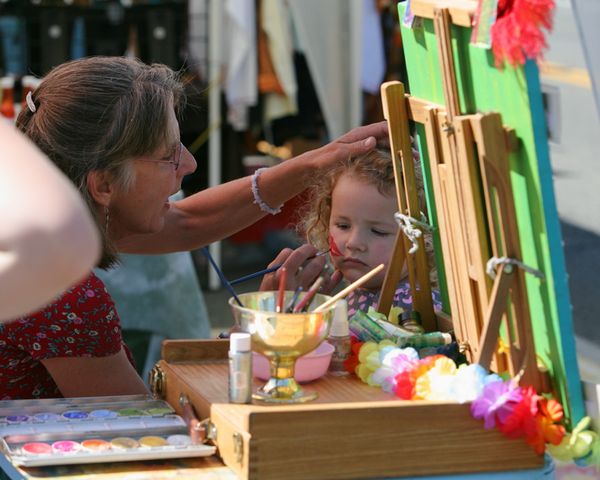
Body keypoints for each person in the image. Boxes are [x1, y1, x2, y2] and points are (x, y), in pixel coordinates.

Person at [0, 55, 388, 400]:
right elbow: (145, 430)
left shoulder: (30, 224)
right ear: (104, 185)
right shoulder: (62, 292)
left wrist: (315, 163)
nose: (189, 165)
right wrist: (259, 333)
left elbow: (186, 223)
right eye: (169, 155)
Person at [298, 148, 440, 320]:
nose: (354, 242)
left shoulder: (417, 308)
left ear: (421, 238)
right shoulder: (357, 293)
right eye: (343, 225)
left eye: (378, 231)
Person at [0, 121, 100, 323]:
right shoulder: (75, 296)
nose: (184, 164)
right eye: (166, 156)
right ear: (103, 183)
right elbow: (58, 239)